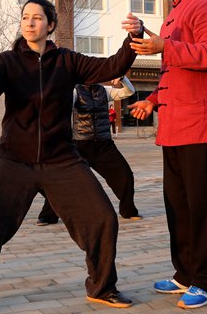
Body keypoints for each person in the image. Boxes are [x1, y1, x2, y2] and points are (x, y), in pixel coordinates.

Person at [0, 0, 144, 314]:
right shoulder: (8, 61)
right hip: (13, 159)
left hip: (61, 159)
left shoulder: (67, 61)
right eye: (25, 17)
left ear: (50, 25)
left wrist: (133, 38)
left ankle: (101, 287)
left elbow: (110, 67)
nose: (30, 23)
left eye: (37, 18)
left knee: (102, 217)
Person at [128, 0, 207, 310]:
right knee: (178, 204)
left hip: (201, 124)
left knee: (203, 204)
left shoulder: (205, 6)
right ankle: (185, 272)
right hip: (173, 126)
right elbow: (174, 70)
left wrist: (162, 47)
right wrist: (151, 99)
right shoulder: (173, 14)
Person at [36, 76, 141, 225]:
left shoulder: (105, 91)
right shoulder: (75, 92)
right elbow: (62, 107)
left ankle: (128, 210)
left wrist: (123, 79)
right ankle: (48, 215)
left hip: (104, 146)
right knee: (64, 180)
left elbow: (129, 92)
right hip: (80, 145)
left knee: (125, 175)